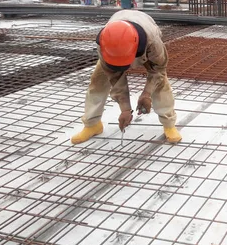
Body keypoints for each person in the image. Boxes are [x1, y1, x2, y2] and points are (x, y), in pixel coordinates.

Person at [71, 10, 181, 145]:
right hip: (116, 49)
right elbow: (116, 78)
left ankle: (169, 124)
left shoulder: (153, 42)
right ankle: (92, 124)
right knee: (98, 82)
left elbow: (158, 70)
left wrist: (147, 94)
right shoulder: (104, 44)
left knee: (160, 83)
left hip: (145, 46)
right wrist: (125, 109)